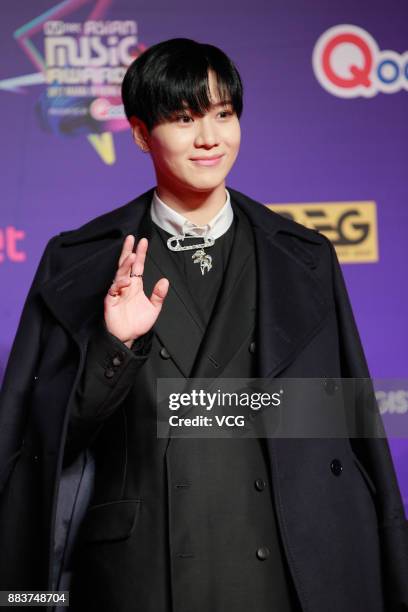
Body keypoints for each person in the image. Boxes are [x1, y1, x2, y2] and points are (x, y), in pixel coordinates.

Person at [0, 37, 407, 612]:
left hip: (289, 566)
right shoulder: (78, 261)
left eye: (223, 114)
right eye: (185, 119)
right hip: (137, 576)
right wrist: (116, 344)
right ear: (141, 134)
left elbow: (343, 416)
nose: (210, 137)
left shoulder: (305, 256)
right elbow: (43, 443)